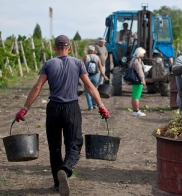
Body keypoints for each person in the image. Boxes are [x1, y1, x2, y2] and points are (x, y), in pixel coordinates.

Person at [14, 35, 111, 196]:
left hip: (53, 109)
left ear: (54, 48)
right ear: (70, 48)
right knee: (74, 143)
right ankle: (65, 170)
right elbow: (89, 86)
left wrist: (24, 109)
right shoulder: (78, 63)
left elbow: (37, 87)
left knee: (55, 147)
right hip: (71, 108)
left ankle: (57, 184)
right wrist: (101, 106)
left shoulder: (49, 64)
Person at [82, 45, 108, 110]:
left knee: (87, 91)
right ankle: (94, 104)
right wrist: (104, 75)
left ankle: (90, 106)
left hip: (87, 76)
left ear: (88, 51)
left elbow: (81, 67)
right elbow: (100, 67)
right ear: (94, 51)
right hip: (96, 75)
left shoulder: (85, 57)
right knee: (95, 90)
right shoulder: (97, 57)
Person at [129, 47, 147, 117]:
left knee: (135, 96)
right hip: (138, 80)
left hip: (135, 80)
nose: (143, 55)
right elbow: (140, 72)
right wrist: (143, 80)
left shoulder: (133, 60)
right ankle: (136, 111)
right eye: (143, 54)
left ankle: (135, 110)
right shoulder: (137, 61)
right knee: (136, 96)